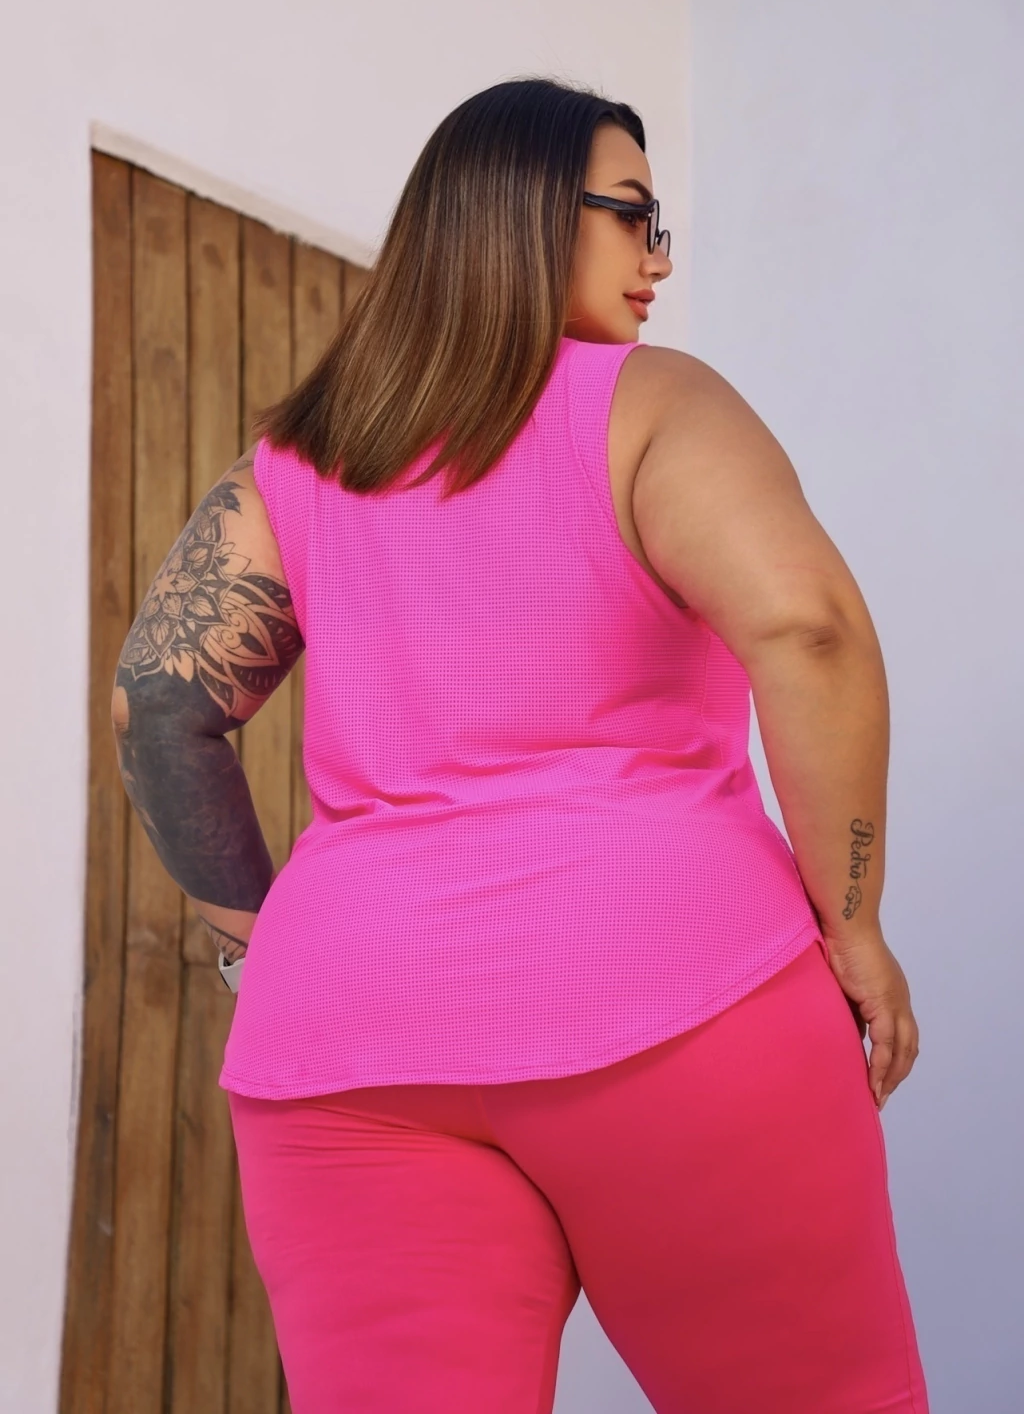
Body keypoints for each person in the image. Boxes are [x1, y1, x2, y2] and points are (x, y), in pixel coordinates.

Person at [111, 76, 930, 1414]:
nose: (660, 258)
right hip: (675, 990)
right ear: (526, 214)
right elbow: (810, 628)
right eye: (634, 215)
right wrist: (856, 927)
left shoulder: (303, 460)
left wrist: (258, 939)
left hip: (348, 1037)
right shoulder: (654, 404)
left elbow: (159, 700)